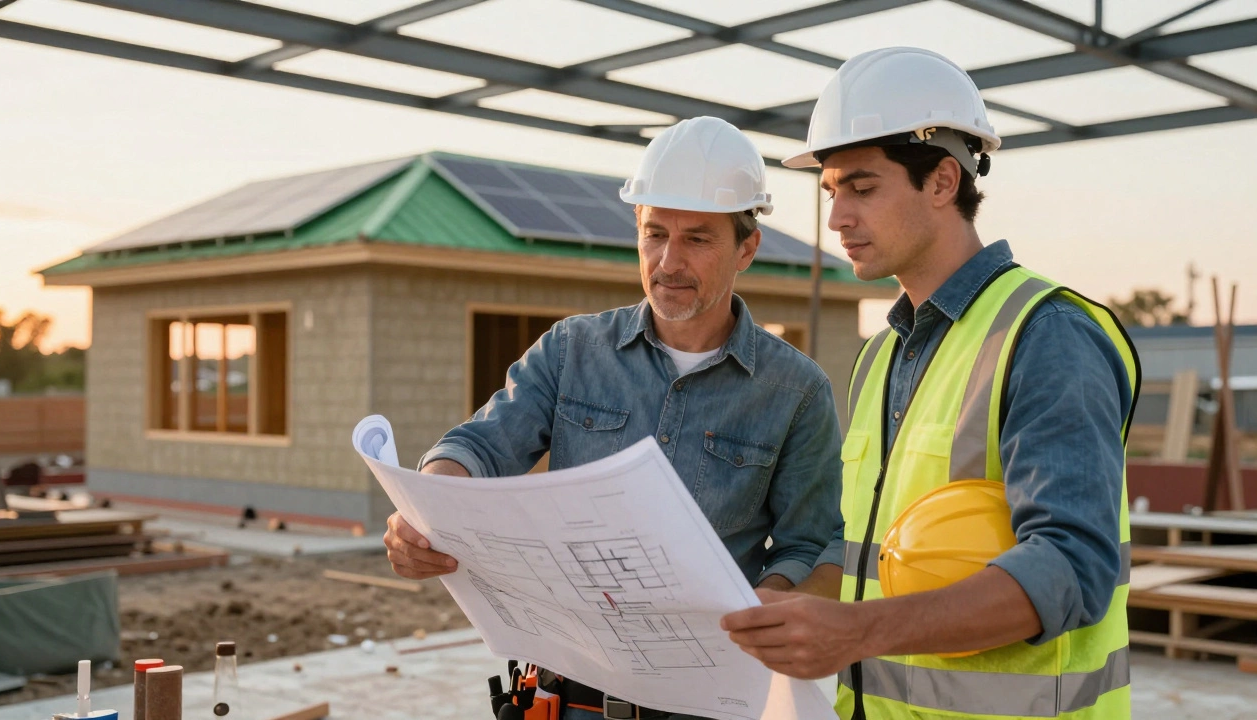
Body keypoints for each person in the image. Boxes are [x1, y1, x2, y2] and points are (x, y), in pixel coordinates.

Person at [722, 47, 1139, 720]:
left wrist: (855, 632)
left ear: (944, 182)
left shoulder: (1046, 335)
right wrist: (791, 606)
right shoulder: (882, 353)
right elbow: (864, 548)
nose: (837, 220)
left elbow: (1071, 569)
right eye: (832, 192)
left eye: (862, 188)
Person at [384, 116, 847, 719]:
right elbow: (480, 447)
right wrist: (424, 512)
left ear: (747, 248)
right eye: (655, 234)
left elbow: (809, 544)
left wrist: (762, 608)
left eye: (698, 239)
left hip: (705, 704)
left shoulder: (797, 390)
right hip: (567, 700)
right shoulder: (572, 350)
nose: (668, 261)